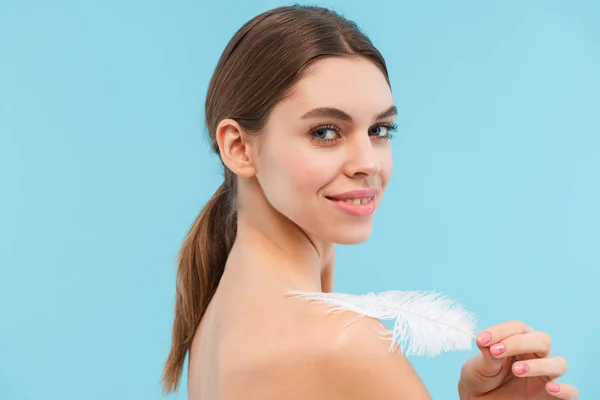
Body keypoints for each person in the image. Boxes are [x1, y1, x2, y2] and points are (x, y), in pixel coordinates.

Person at [161, 5, 579, 399]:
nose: (367, 163)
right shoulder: (341, 343)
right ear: (239, 148)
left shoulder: (217, 319)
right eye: (325, 132)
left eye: (380, 130)